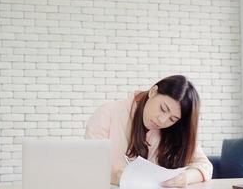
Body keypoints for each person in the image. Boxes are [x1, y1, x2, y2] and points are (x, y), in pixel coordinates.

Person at [85, 75, 213, 188]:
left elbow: (204, 165)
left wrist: (185, 178)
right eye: (163, 109)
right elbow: (90, 166)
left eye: (173, 119)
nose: (162, 121)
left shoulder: (173, 130)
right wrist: (119, 177)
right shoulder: (108, 114)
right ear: (153, 91)